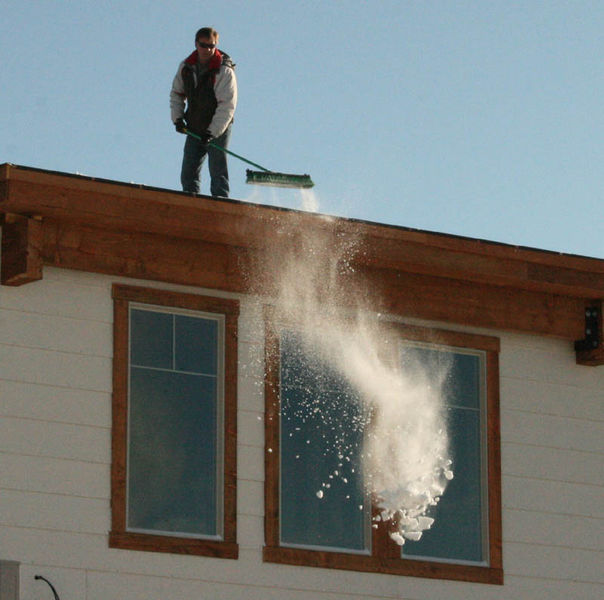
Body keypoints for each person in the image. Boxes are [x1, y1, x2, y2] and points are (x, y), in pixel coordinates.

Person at [170, 27, 237, 197]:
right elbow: (177, 94)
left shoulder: (224, 71)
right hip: (195, 125)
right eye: (203, 45)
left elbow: (227, 106)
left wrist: (212, 132)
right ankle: (191, 202)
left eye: (211, 46)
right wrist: (177, 119)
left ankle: (220, 202)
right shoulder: (186, 67)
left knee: (217, 169)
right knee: (188, 171)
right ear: (196, 44)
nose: (207, 49)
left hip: (218, 128)